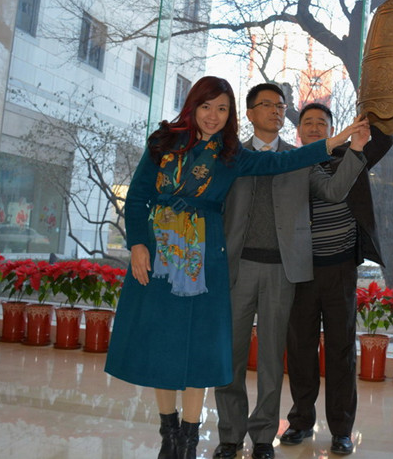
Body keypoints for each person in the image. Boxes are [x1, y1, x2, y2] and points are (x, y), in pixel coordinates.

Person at [104, 76, 367, 459]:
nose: (213, 115)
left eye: (221, 109)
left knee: (227, 352)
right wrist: (138, 242)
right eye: (206, 106)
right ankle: (189, 434)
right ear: (195, 106)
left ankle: (221, 438)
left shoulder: (239, 156)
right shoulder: (178, 144)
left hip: (228, 263)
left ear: (231, 115)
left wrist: (340, 142)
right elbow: (139, 194)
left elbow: (293, 166)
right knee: (183, 345)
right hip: (187, 259)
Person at [213, 85, 370, 459]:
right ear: (249, 113)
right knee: (229, 356)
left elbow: (333, 191)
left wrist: (356, 149)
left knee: (271, 359)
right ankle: (230, 435)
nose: (274, 110)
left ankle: (263, 436)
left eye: (280, 105)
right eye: (265, 104)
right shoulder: (229, 156)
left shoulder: (298, 158)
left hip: (282, 271)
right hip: (237, 268)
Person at [280, 103, 393, 455]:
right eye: (308, 122)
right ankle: (301, 421)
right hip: (300, 269)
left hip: (340, 268)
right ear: (299, 131)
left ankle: (342, 429)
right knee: (300, 348)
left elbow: (385, 138)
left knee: (341, 350)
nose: (315, 127)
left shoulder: (351, 153)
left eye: (322, 122)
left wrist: (375, 106)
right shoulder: (290, 162)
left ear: (332, 129)